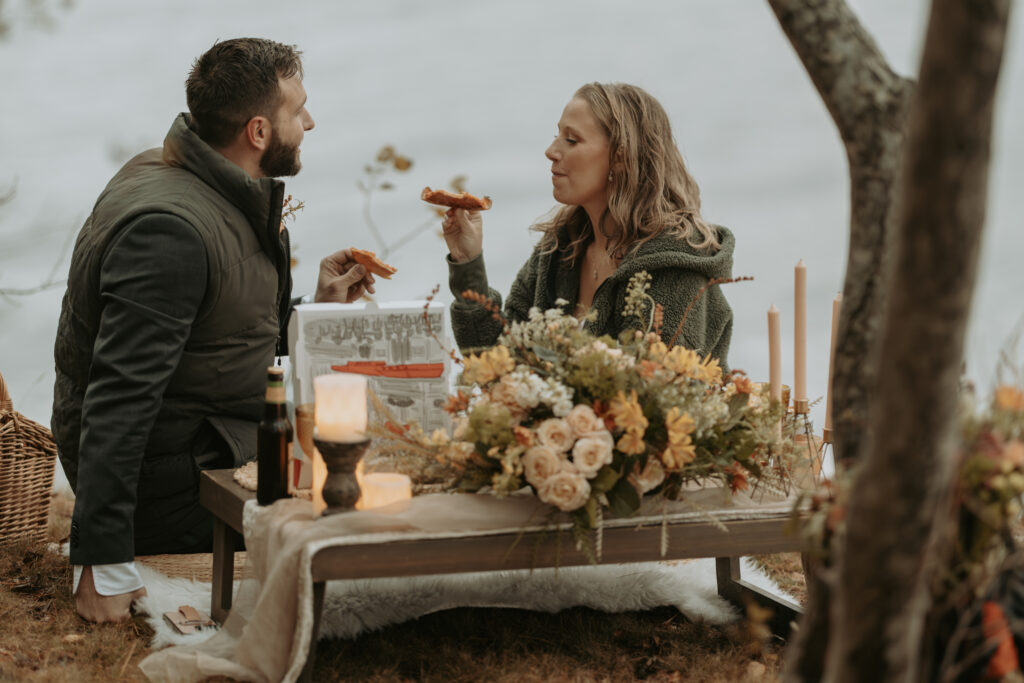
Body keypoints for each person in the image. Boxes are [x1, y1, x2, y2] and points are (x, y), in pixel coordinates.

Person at [51, 38, 376, 622]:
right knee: (370, 506)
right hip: (175, 486)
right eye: (296, 111)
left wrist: (315, 308)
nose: (309, 121)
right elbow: (117, 397)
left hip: (204, 440)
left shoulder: (204, 178)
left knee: (375, 460)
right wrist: (103, 560)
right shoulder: (170, 231)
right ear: (257, 132)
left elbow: (221, 339)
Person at [442, 82, 734, 367]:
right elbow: (498, 363)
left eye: (572, 140)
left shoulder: (673, 266)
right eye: (557, 136)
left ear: (620, 158)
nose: (551, 151)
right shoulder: (558, 251)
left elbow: (658, 397)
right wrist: (469, 264)